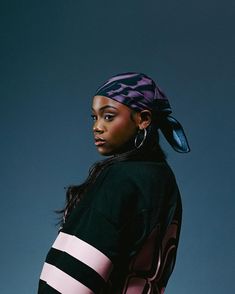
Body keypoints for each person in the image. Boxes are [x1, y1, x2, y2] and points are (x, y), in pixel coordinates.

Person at [38, 72, 190, 294]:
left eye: (108, 116)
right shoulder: (164, 178)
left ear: (143, 119)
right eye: (94, 117)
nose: (97, 127)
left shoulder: (121, 178)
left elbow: (66, 283)